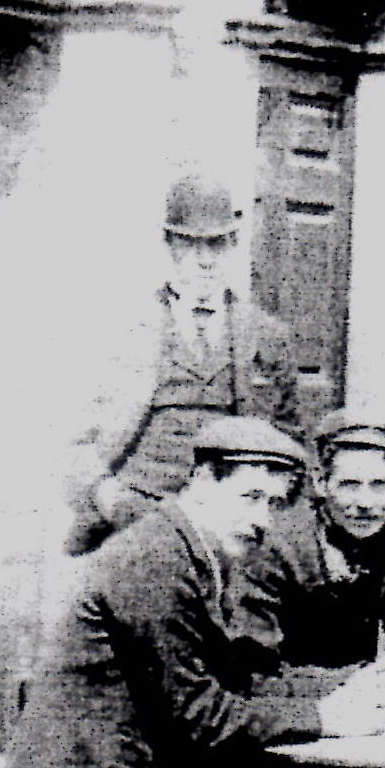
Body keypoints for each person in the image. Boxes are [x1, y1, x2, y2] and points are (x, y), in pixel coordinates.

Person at [0, 416, 385, 768]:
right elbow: (202, 715)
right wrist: (323, 719)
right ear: (203, 480)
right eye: (250, 497)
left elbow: (239, 677)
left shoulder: (195, 550)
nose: (261, 520)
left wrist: (346, 684)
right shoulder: (157, 561)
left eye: (273, 504)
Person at [63, 174, 303, 554]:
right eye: (191, 245)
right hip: (136, 510)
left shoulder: (267, 334)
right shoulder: (123, 329)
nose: (205, 260)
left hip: (230, 519)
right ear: (169, 245)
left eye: (217, 244)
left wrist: (262, 504)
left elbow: (291, 442)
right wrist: (111, 500)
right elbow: (74, 442)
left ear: (234, 244)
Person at [227, 411, 385, 676]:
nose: (366, 503)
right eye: (350, 485)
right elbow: (255, 665)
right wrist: (356, 682)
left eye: (379, 485)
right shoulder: (277, 544)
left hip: (357, 688)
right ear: (321, 483)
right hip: (284, 697)